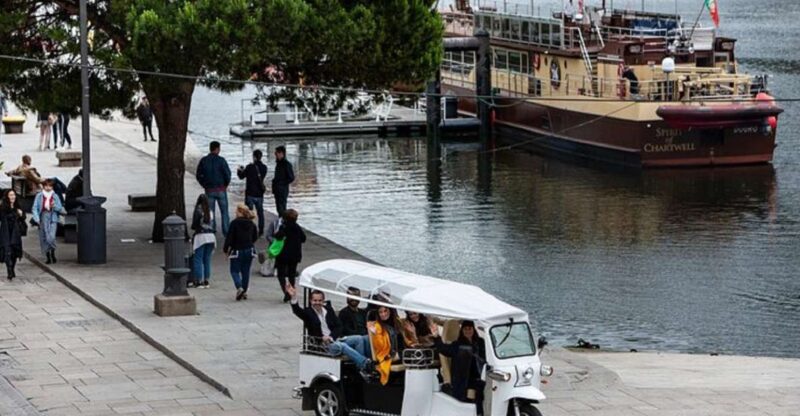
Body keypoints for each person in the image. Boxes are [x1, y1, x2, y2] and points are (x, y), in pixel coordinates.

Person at [430, 320, 486, 413]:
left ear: (473, 329)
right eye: (465, 329)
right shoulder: (458, 344)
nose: (468, 331)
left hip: (480, 375)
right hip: (463, 378)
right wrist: (436, 337)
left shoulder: (480, 342)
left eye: (470, 329)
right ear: (462, 330)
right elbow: (444, 349)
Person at [196, 141, 231, 235]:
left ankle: (212, 229)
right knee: (224, 212)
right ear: (217, 149)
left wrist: (204, 185)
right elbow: (227, 174)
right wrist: (225, 185)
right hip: (221, 189)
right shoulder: (221, 160)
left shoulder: (204, 160)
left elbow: (198, 175)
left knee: (210, 212)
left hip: (209, 190)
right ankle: (226, 231)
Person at [223, 204, 257, 301]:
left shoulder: (234, 223)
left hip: (237, 250)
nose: (235, 213)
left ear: (240, 212)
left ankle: (239, 287)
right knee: (245, 271)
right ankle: (245, 291)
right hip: (249, 249)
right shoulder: (251, 223)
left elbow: (229, 238)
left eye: (236, 211)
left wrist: (226, 250)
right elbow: (255, 236)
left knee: (234, 270)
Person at [273, 209, 306, 302]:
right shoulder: (297, 227)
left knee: (281, 274)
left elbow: (277, 236)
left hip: (283, 255)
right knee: (292, 274)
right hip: (295, 254)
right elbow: (303, 238)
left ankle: (286, 291)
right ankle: (291, 291)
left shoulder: (284, 227)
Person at [31, 179, 65, 264]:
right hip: (43, 216)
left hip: (53, 217)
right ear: (43, 186)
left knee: (51, 237)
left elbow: (60, 208)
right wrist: (37, 219)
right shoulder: (39, 195)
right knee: (44, 237)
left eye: (50, 186)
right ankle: (48, 255)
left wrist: (54, 206)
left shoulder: (55, 196)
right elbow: (34, 208)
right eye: (46, 186)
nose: (48, 188)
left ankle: (52, 251)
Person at [236, 149, 268, 236]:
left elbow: (241, 176)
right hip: (259, 194)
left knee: (248, 213)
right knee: (260, 213)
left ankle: (249, 229)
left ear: (254, 157)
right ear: (261, 157)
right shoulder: (264, 168)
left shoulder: (250, 167)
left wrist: (239, 170)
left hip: (250, 193)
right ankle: (261, 230)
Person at [190, 194, 215, 288]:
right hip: (211, 236)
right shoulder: (210, 211)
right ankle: (206, 280)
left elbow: (195, 224)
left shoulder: (198, 211)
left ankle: (199, 280)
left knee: (198, 258)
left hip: (201, 236)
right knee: (207, 259)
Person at [0, 190, 26, 280]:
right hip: (6, 232)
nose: (12, 197)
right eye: (10, 195)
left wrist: (21, 214)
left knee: (14, 252)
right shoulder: (2, 207)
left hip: (15, 232)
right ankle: (9, 270)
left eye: (13, 195)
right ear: (7, 196)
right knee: (7, 251)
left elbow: (23, 218)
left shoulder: (18, 206)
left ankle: (12, 267)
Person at [271, 145, 294, 218]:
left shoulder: (286, 164)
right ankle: (282, 221)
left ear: (281, 153)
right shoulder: (278, 163)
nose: (275, 155)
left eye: (276, 153)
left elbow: (291, 177)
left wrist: (281, 183)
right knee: (279, 207)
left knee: (282, 208)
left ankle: (283, 222)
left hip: (282, 190)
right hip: (277, 189)